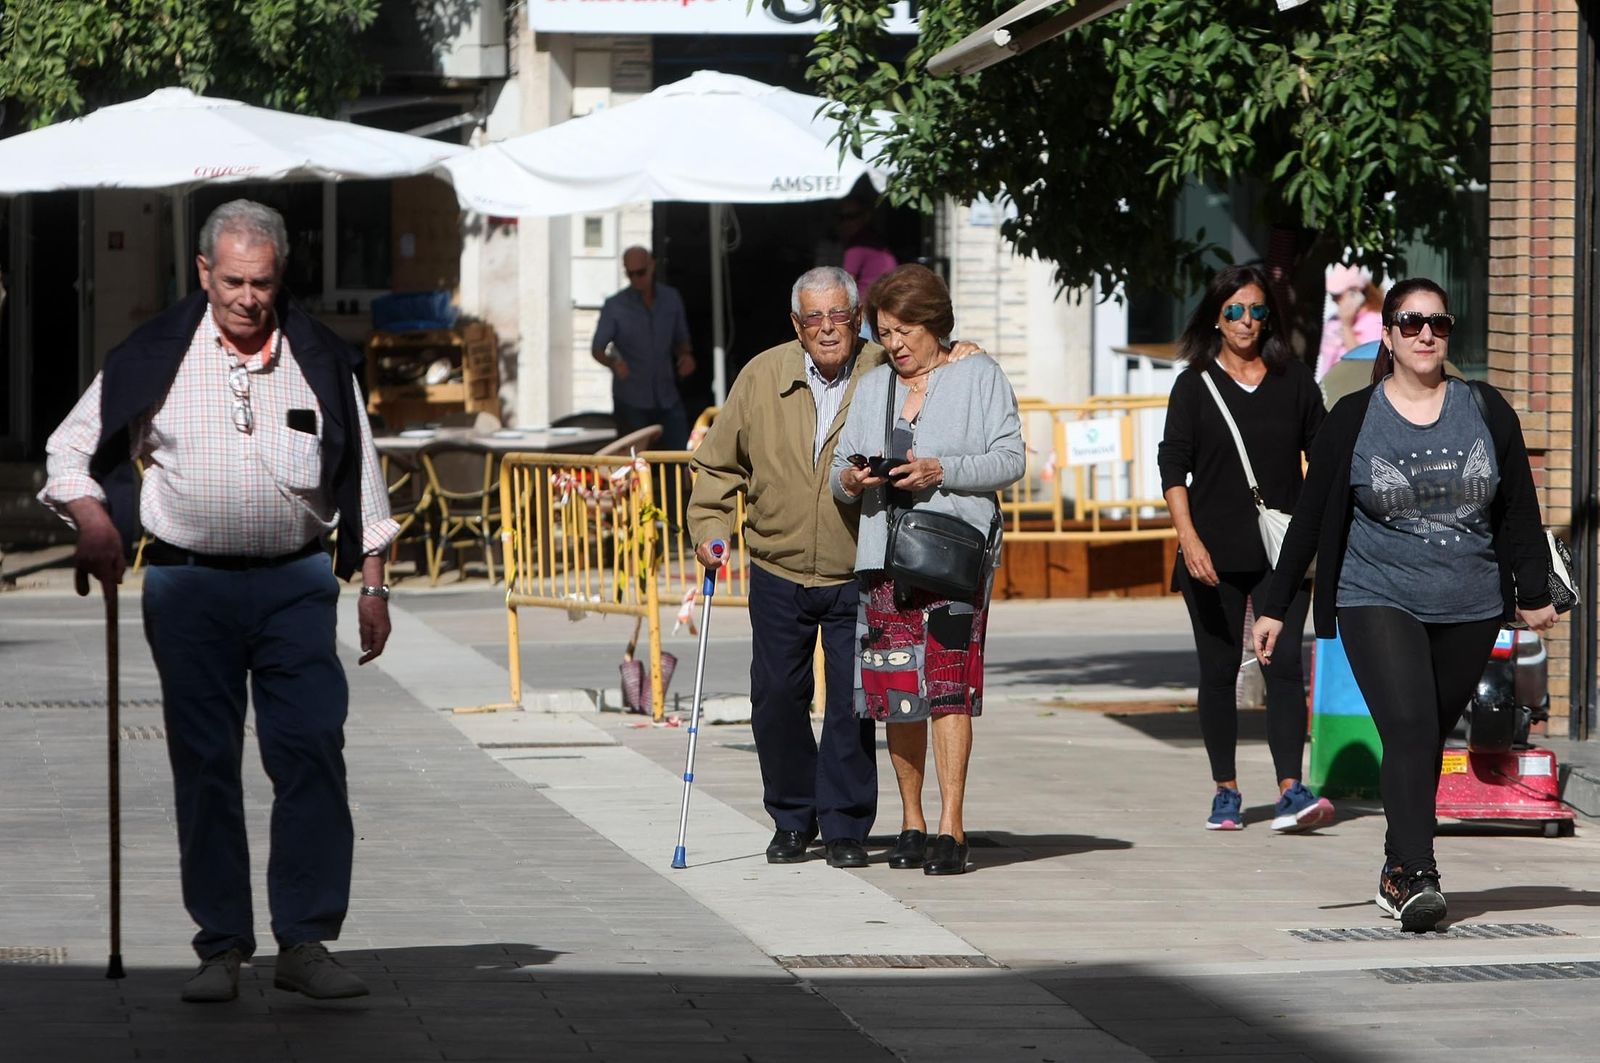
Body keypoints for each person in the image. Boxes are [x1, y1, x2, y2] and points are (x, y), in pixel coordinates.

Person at [39, 200, 397, 1003]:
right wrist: (93, 515)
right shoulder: (155, 353)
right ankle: (222, 945)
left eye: (262, 282)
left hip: (296, 584)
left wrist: (372, 584)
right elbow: (67, 448)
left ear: (280, 277)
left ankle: (305, 941)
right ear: (204, 272)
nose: (248, 297)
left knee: (309, 749)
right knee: (204, 763)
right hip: (187, 584)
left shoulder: (318, 356)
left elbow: (363, 476)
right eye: (233, 280)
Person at [1253, 277, 1559, 932]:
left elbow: (1518, 511)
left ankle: (1396, 865)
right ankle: (1420, 874)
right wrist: (1276, 604)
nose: (1425, 334)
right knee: (1411, 725)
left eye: (1438, 323)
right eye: (1411, 322)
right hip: (1377, 594)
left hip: (1471, 602)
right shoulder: (1354, 422)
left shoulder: (1485, 409)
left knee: (1420, 739)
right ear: (1387, 335)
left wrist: (1533, 591)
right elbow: (1309, 519)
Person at [831, 264, 1024, 876]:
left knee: (948, 691)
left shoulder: (979, 375)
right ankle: (911, 820)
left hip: (951, 557)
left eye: (904, 329)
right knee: (897, 695)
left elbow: (1011, 458)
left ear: (934, 323)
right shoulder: (872, 387)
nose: (894, 344)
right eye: (885, 332)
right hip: (883, 558)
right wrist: (853, 478)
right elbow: (839, 470)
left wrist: (941, 471)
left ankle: (951, 826)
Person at [1157, 264, 1333, 834]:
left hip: (1283, 554)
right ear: (1216, 316)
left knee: (1283, 667)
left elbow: (1325, 459)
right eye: (1234, 310)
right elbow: (1173, 467)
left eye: (1257, 311)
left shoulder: (1296, 381)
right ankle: (1226, 790)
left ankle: (1290, 789)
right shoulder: (1193, 384)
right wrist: (1188, 538)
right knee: (1218, 669)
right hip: (1212, 553)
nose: (1247, 321)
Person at [591, 246, 695, 450]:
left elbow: (682, 339)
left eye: (641, 272)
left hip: (667, 396)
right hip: (632, 397)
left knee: (681, 459)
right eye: (631, 274)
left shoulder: (671, 299)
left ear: (652, 265)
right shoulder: (615, 306)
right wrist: (613, 363)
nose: (636, 279)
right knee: (635, 465)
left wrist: (686, 356)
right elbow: (597, 348)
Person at [1316, 264, 1384, 383]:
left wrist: (1347, 327)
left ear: (1356, 294)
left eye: (1338, 296)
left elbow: (1364, 362)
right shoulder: (1333, 321)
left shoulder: (1374, 321)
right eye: (1333, 296)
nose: (1334, 301)